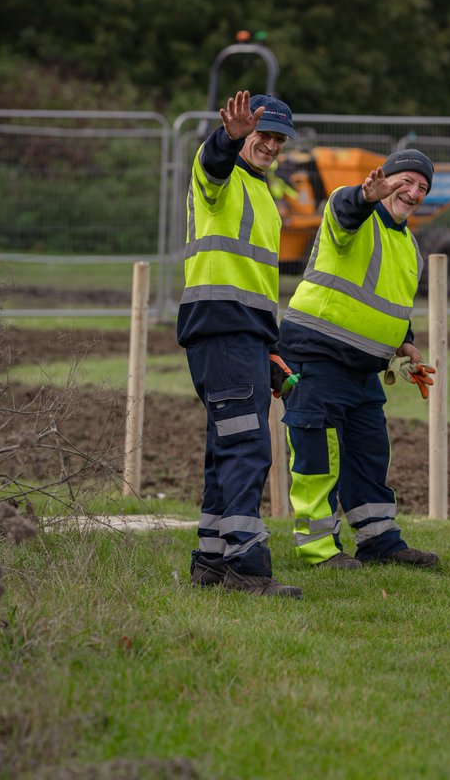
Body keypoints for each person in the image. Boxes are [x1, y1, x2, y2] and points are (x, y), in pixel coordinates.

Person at [276, 149, 440, 570]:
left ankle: (379, 541)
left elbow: (392, 303)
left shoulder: (410, 248)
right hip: (317, 353)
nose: (414, 191)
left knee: (370, 454)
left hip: (364, 367)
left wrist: (406, 344)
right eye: (406, 181)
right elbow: (349, 209)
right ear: (384, 179)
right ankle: (319, 549)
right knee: (319, 453)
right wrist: (366, 196)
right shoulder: (349, 211)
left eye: (422, 187)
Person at [179, 90, 302, 598]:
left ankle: (211, 560)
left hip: (242, 333)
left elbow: (253, 284)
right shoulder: (221, 178)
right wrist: (226, 138)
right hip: (221, 329)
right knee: (247, 447)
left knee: (224, 446)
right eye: (262, 134)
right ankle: (247, 569)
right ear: (242, 134)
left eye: (277, 138)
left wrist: (267, 347)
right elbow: (212, 162)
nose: (270, 145)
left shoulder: (264, 197)